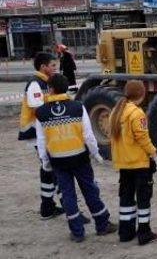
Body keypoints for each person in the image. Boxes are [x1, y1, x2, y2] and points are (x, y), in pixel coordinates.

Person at [35, 74, 117, 242]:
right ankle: (102, 225)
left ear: (50, 89)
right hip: (80, 158)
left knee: (68, 194)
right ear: (67, 88)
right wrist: (95, 154)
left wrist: (45, 161)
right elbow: (88, 136)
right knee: (90, 190)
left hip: (58, 161)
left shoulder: (41, 112)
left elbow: (41, 141)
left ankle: (77, 232)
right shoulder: (78, 107)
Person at [108, 80, 157, 245]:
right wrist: (155, 155)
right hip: (139, 164)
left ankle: (125, 232)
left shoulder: (116, 112)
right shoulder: (137, 114)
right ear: (142, 94)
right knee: (143, 198)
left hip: (123, 164)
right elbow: (143, 139)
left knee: (126, 198)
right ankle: (144, 232)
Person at [18, 52, 65, 219]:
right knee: (54, 168)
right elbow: (39, 110)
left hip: (44, 132)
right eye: (52, 65)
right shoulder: (35, 84)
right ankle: (65, 206)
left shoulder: (46, 83)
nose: (55, 68)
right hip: (36, 133)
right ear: (43, 67)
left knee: (48, 169)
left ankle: (47, 206)